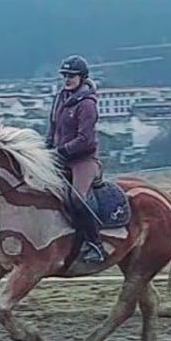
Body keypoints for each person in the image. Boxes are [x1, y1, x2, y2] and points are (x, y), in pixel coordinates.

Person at [45, 54, 107, 264]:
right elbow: (52, 129)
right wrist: (46, 150)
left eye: (72, 76)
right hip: (60, 157)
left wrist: (61, 151)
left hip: (83, 160)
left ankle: (95, 244)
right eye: (65, 76)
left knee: (77, 198)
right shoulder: (60, 99)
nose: (68, 79)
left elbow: (86, 140)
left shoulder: (87, 104)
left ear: (82, 77)